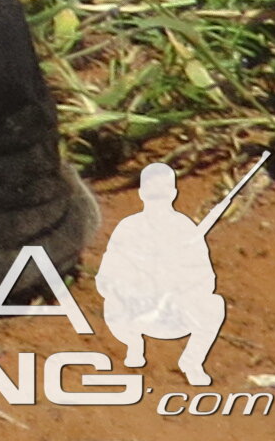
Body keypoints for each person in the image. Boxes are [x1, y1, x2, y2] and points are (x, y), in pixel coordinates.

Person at [94, 164, 227, 384]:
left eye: (164, 191)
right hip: (133, 307)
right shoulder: (129, 227)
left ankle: (191, 362)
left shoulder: (185, 229)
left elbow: (206, 278)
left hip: (171, 309)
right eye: (153, 192)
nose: (158, 198)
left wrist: (180, 282)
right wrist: (134, 284)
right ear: (142, 193)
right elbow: (107, 274)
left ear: (173, 193)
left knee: (214, 305)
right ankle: (134, 347)